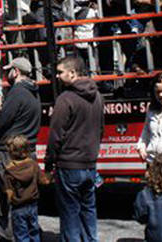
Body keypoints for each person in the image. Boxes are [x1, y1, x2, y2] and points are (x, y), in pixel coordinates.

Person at [46, 56, 104, 242]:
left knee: (70, 211)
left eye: (61, 72)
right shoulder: (98, 96)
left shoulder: (65, 99)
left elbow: (56, 134)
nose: (57, 76)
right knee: (89, 208)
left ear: (72, 73)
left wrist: (49, 162)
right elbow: (100, 129)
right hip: (89, 163)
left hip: (69, 164)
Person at [0, 57, 41, 170]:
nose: (6, 74)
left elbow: (1, 123)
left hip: (10, 152)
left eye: (9, 71)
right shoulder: (34, 92)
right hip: (28, 149)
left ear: (16, 72)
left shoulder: (17, 92)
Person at [3, 134, 48, 242]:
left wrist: (6, 203)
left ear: (10, 153)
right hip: (33, 205)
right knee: (34, 231)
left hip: (18, 207)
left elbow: (9, 192)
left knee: (21, 234)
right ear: (27, 150)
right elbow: (43, 181)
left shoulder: (9, 171)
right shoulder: (34, 165)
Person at [73, 0, 98, 71]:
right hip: (90, 41)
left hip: (77, 40)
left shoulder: (74, 12)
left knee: (80, 66)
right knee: (93, 64)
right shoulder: (92, 12)